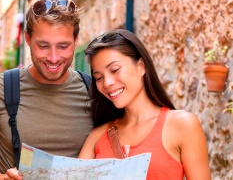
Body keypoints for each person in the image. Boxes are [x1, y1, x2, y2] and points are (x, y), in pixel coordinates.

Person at [0, 0, 93, 179]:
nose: (54, 57)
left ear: (76, 40)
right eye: (43, 46)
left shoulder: (93, 90)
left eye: (63, 46)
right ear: (27, 39)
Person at [78, 29, 211, 179]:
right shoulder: (96, 137)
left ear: (141, 66)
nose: (107, 83)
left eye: (114, 70)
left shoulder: (183, 125)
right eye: (99, 77)